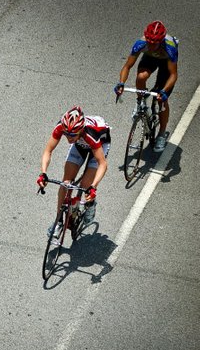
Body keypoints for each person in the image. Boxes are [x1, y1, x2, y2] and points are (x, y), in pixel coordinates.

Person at [37, 106, 111, 237]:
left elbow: (102, 164)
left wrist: (93, 187)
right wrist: (43, 173)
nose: (68, 138)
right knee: (65, 183)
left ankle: (91, 204)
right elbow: (48, 150)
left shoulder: (90, 134)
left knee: (86, 184)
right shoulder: (62, 127)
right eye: (66, 134)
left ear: (81, 130)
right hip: (80, 144)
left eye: (72, 135)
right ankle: (58, 222)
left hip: (99, 144)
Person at [114, 20, 179, 152]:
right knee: (141, 77)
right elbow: (127, 66)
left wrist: (164, 91)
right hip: (150, 58)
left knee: (161, 100)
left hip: (166, 62)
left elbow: (173, 75)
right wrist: (121, 83)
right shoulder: (141, 44)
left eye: (154, 43)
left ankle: (161, 134)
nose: (150, 44)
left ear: (160, 41)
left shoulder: (170, 48)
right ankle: (140, 103)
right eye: (149, 42)